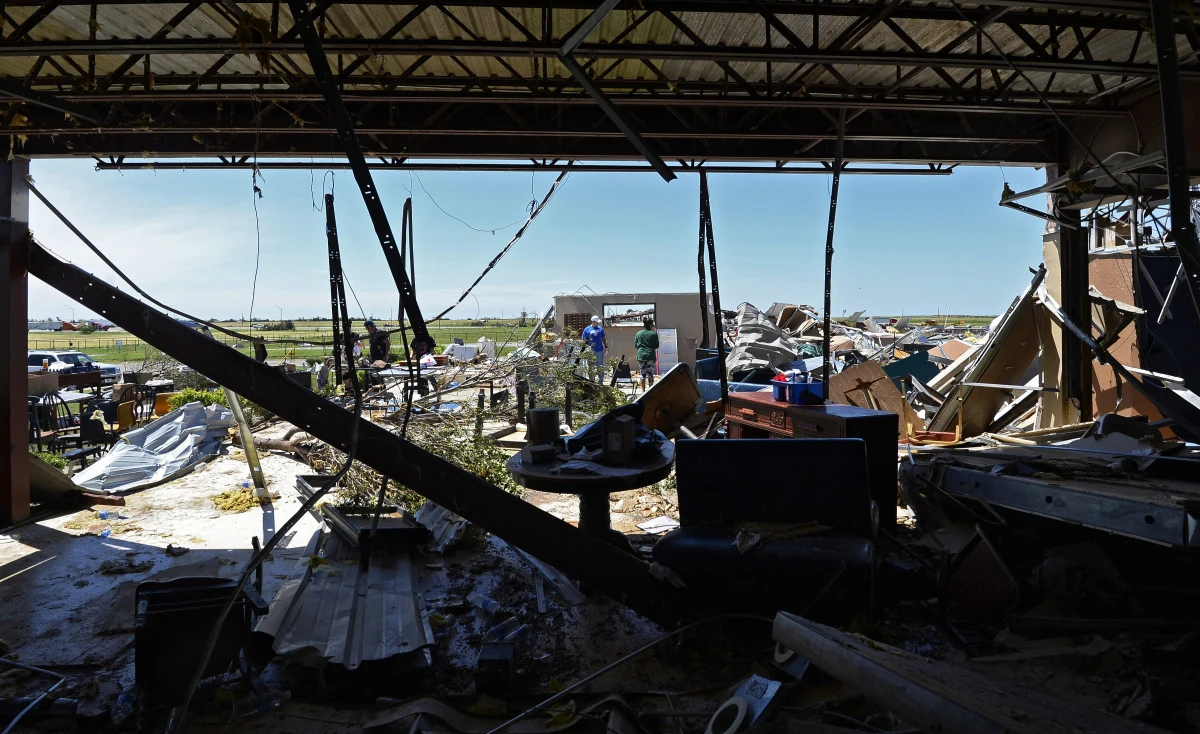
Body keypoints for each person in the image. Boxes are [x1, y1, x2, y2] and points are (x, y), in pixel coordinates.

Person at [634, 317, 660, 389]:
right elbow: (657, 346)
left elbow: (636, 345)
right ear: (651, 325)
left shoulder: (638, 334)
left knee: (642, 375)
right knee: (650, 374)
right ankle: (650, 392)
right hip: (650, 356)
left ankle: (643, 392)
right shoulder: (654, 334)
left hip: (641, 356)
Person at [581, 315, 607, 382]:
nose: (598, 323)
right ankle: (592, 380)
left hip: (599, 350)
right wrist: (584, 349)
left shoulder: (600, 329)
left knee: (600, 366)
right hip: (590, 351)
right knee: (591, 366)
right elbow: (584, 339)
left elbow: (603, 337)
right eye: (597, 322)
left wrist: (605, 345)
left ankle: (600, 381)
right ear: (593, 322)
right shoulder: (587, 329)